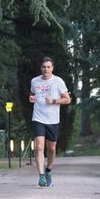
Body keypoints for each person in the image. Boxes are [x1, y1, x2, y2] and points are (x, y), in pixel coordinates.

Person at [29, 57, 71, 187]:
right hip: (38, 118)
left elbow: (67, 99)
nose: (46, 69)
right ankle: (41, 176)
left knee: (51, 149)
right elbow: (31, 95)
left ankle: (48, 170)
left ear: (52, 68)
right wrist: (31, 98)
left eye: (48, 67)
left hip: (53, 120)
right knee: (39, 147)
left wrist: (53, 100)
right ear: (41, 68)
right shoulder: (34, 81)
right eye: (43, 67)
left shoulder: (58, 81)